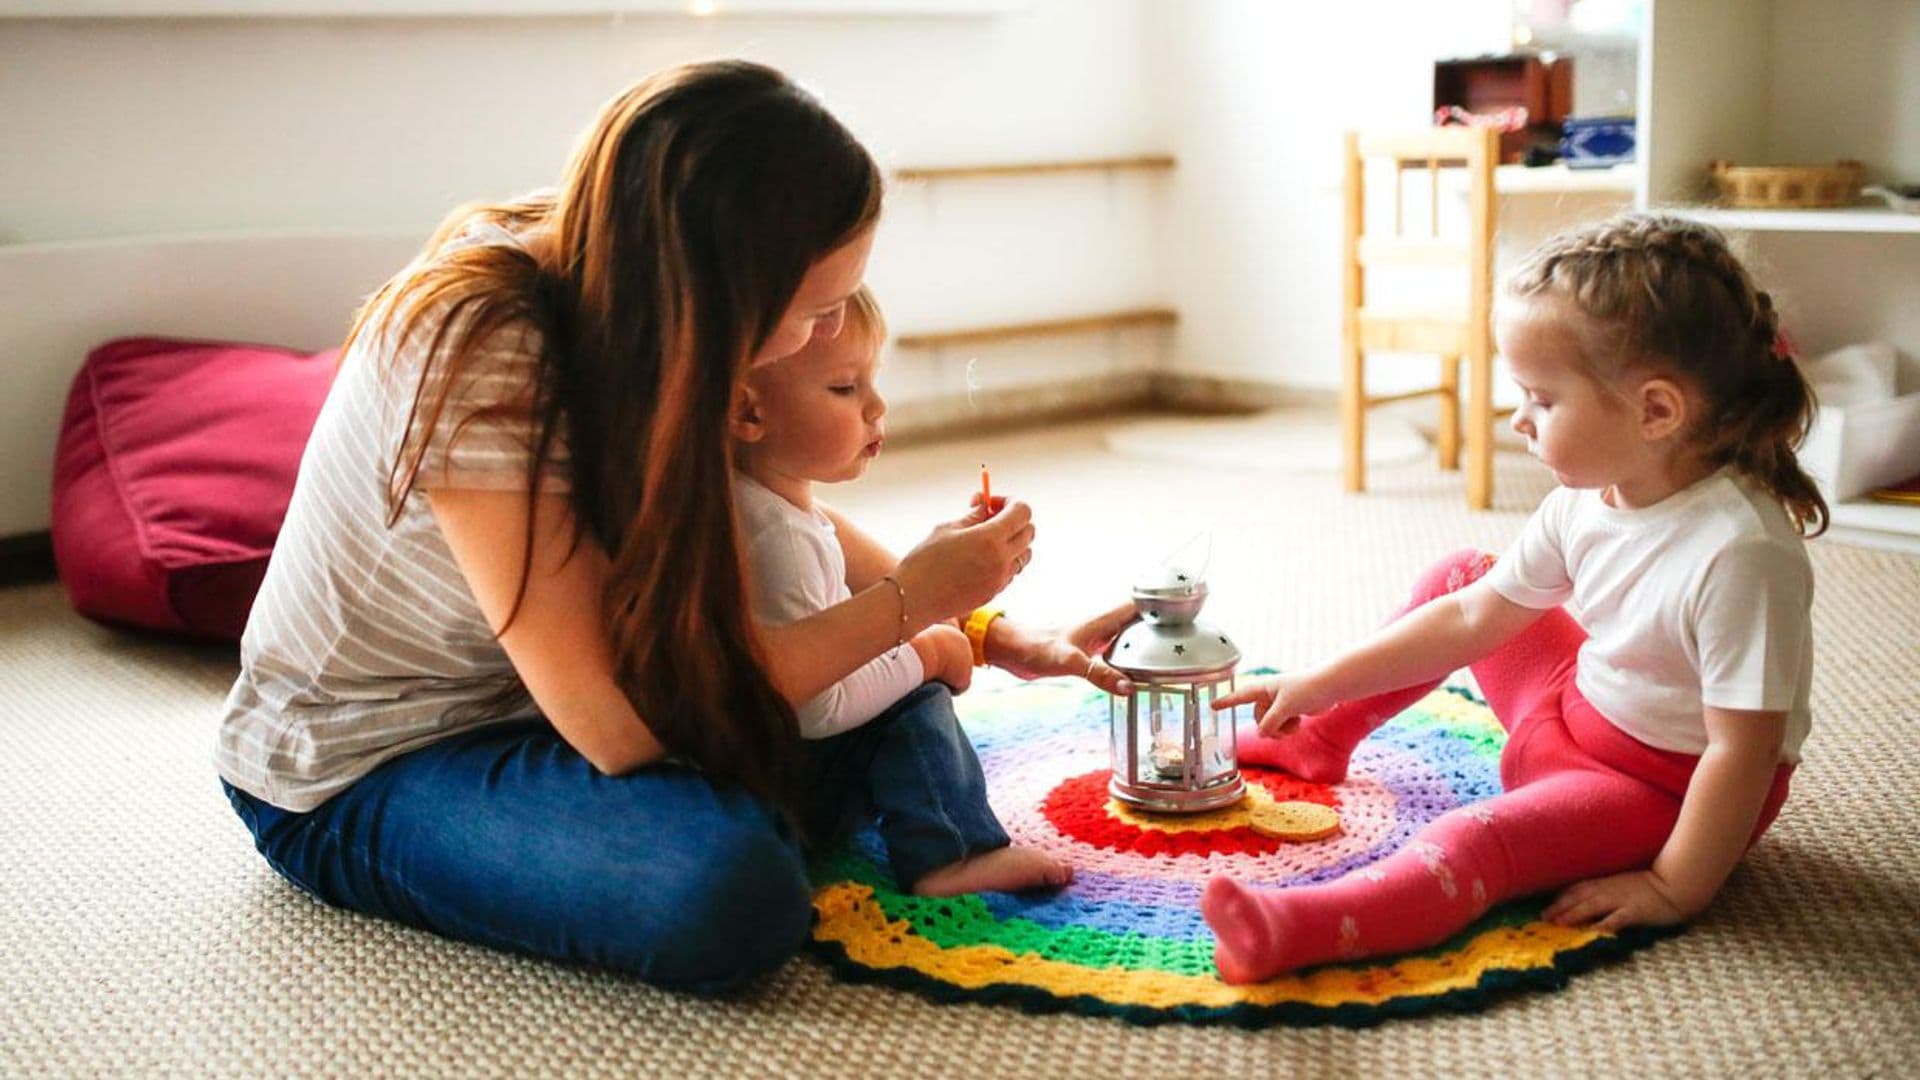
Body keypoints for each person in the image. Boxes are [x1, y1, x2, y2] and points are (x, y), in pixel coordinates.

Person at [212, 59, 1129, 995]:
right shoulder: (485, 344)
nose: (820, 340)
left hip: (550, 710)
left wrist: (988, 629)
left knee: (861, 704)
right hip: (368, 761)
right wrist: (912, 606)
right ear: (722, 286)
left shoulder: (640, 286)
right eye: (813, 313)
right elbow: (620, 726)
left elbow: (779, 514)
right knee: (732, 889)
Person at [1201, 213, 1825, 983]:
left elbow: (1745, 751)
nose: (1518, 419)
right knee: (1464, 575)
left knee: (1473, 843)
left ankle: (1301, 927)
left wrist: (1675, 884)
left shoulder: (1742, 554)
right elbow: (1475, 616)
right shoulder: (1591, 496)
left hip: (1650, 790)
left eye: (1541, 398)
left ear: (1656, 411)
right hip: (1573, 712)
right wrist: (1322, 683)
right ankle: (1318, 737)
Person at [731, 286, 1072, 896]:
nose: (876, 406)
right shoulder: (778, 538)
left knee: (901, 663)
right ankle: (951, 853)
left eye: (873, 381)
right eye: (845, 388)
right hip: (787, 786)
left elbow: (881, 597)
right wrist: (929, 655)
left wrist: (954, 588)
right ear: (749, 413)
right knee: (914, 701)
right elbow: (816, 707)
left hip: (751, 767)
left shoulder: (751, 502)